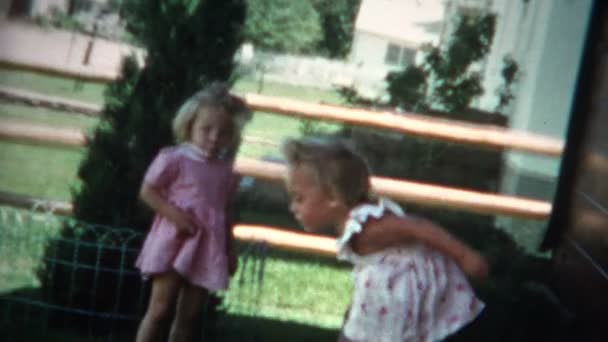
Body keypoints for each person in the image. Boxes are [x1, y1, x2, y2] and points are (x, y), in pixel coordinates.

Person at [282, 138, 488, 342]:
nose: (293, 208)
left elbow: (417, 227)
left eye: (299, 198)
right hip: (383, 297)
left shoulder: (370, 227)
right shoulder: (355, 226)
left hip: (403, 295)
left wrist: (464, 256)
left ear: (333, 198)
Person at [135, 82, 251, 342]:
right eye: (206, 129)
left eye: (222, 133)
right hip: (175, 241)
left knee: (188, 317)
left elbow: (226, 213)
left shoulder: (225, 171)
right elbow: (148, 191)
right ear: (189, 126)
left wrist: (230, 249)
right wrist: (174, 215)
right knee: (159, 309)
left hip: (208, 248)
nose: (213, 137)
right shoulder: (175, 159)